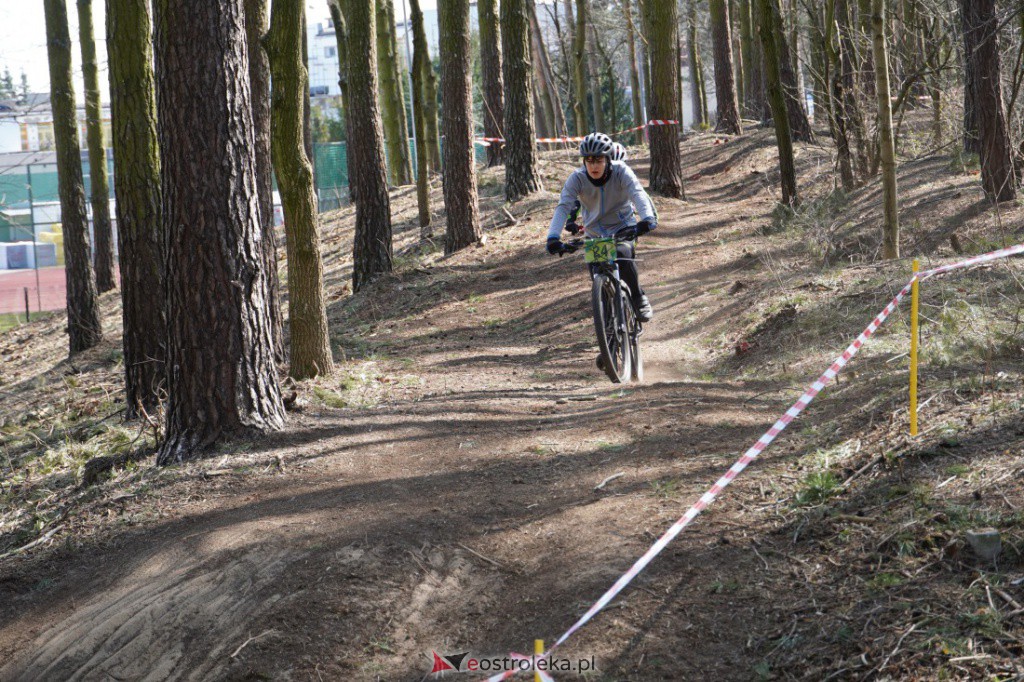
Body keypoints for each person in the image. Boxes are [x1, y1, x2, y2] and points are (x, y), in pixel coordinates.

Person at [546, 133, 657, 323]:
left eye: (598, 160)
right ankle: (609, 342)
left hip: (623, 227)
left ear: (607, 159)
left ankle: (638, 298)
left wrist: (646, 219)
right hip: (595, 233)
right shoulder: (577, 178)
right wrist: (553, 237)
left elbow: (637, 193)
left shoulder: (621, 171)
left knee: (622, 254)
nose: (593, 166)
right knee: (599, 282)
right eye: (588, 161)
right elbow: (564, 206)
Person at [564, 142, 629, 235]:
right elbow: (578, 201)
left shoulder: (626, 178)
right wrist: (570, 220)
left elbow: (641, 197)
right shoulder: (588, 179)